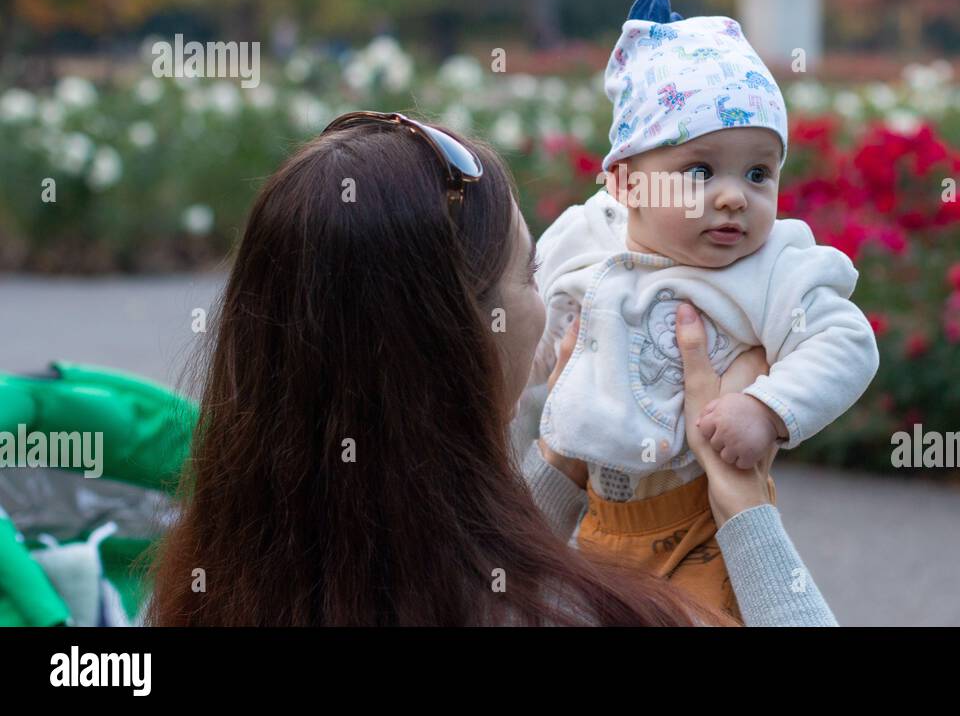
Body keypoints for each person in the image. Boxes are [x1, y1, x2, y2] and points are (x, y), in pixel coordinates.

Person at [147, 110, 835, 625]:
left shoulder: (202, 588)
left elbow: (445, 549)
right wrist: (738, 499)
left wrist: (561, 458)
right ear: (460, 338)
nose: (553, 308)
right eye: (532, 275)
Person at [522, 0, 878, 619]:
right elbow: (537, 351)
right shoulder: (587, 242)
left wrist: (765, 409)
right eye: (701, 171)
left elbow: (846, 341)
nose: (735, 197)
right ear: (625, 182)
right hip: (599, 517)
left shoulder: (770, 269)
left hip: (706, 526)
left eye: (759, 173)